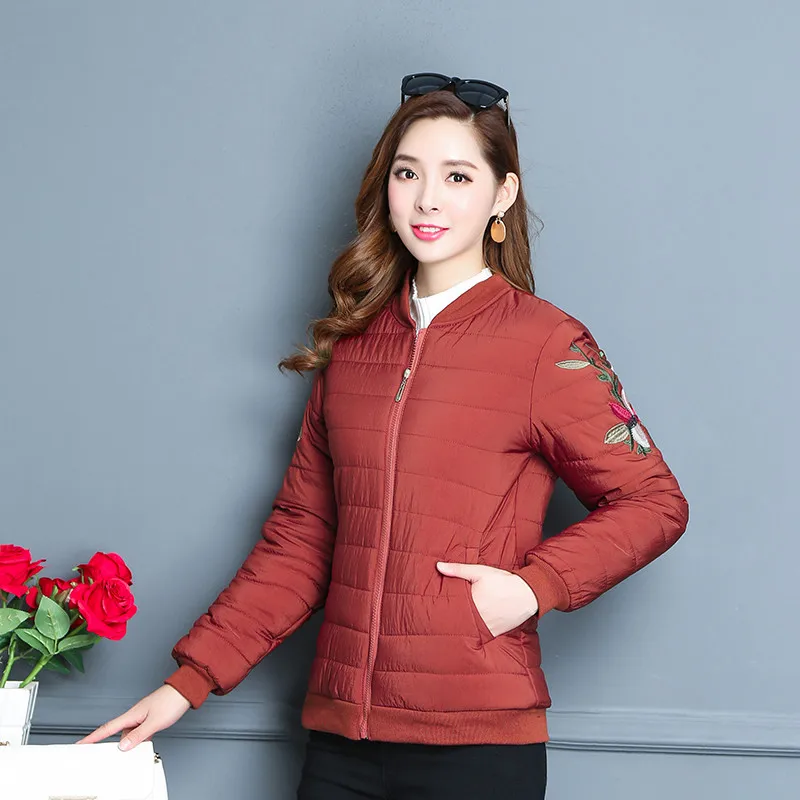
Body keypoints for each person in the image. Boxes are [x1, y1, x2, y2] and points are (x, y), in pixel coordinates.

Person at [76, 73, 689, 799]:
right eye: (408, 173)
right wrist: (189, 682)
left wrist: (533, 588)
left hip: (477, 746)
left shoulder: (545, 343)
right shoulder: (354, 346)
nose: (427, 199)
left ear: (502, 195)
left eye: (457, 176)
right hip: (342, 743)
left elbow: (655, 502)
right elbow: (303, 539)